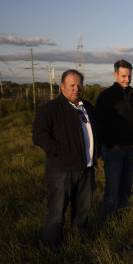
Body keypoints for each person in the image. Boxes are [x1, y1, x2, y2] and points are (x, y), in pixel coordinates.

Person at [32, 69, 98, 247]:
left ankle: (79, 242)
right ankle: (51, 248)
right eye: (72, 85)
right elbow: (39, 135)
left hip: (87, 168)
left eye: (79, 85)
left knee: (83, 211)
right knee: (57, 212)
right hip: (62, 170)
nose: (76, 89)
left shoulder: (88, 107)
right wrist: (60, 152)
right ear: (62, 87)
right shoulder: (50, 109)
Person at [96, 59, 133, 218]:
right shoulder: (106, 96)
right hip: (114, 150)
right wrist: (110, 145)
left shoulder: (131, 96)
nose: (127, 79)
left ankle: (122, 218)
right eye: (123, 76)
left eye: (129, 76)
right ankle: (109, 222)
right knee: (112, 190)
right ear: (115, 75)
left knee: (126, 189)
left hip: (130, 149)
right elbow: (100, 123)